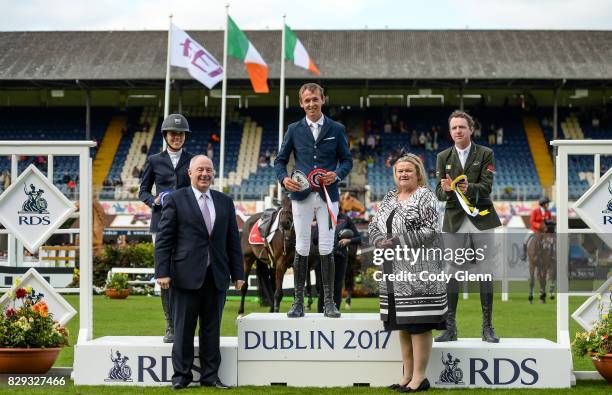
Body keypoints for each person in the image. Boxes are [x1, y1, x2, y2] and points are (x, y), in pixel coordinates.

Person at [155, 155, 244, 390]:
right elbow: (164, 240)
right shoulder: (175, 199)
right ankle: (181, 377)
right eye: (200, 170)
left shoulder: (225, 201)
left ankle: (210, 377)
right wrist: (162, 272)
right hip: (184, 277)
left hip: (217, 277)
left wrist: (239, 274)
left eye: (209, 170)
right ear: (190, 173)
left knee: (211, 330)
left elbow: (233, 241)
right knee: (183, 330)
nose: (205, 174)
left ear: (213, 174)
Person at [274, 82, 353, 318]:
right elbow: (280, 160)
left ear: (323, 100)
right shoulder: (293, 129)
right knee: (302, 246)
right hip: (301, 195)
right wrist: (284, 179)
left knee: (327, 247)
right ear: (301, 103)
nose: (311, 104)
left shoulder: (336, 128)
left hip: (329, 197)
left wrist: (337, 174)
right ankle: (297, 302)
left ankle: (328, 302)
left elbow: (347, 161)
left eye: (315, 99)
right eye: (306, 101)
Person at [369, 154, 446, 393]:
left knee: (418, 324)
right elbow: (373, 225)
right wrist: (380, 239)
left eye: (408, 171)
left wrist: (398, 241)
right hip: (393, 271)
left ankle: (420, 378)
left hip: (420, 270)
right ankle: (407, 375)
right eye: (399, 171)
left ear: (418, 173)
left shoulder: (426, 196)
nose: (403, 174)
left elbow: (431, 230)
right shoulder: (390, 197)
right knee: (401, 325)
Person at [434, 110, 502, 343]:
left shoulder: (485, 153)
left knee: (486, 271)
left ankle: (487, 328)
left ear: (471, 129)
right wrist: (445, 189)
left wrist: (466, 188)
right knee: (451, 272)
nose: (458, 131)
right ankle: (450, 327)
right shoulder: (443, 156)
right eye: (454, 128)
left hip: (481, 218)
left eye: (462, 127)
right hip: (454, 220)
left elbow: (486, 187)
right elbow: (439, 194)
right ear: (450, 131)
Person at [139, 113, 195, 343]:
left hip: (187, 223)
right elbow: (142, 191)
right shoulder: (154, 160)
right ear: (165, 136)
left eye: (180, 134)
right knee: (165, 273)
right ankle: (170, 325)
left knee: (185, 271)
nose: (177, 137)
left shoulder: (193, 160)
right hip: (161, 222)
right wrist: (155, 201)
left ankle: (185, 322)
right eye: (173, 134)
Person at [521, 197, 553, 261]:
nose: (548, 204)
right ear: (543, 204)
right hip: (535, 230)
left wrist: (550, 224)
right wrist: (539, 226)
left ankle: (551, 255)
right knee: (525, 240)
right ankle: (524, 254)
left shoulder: (548, 212)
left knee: (551, 241)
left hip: (544, 231)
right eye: (547, 203)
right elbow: (532, 221)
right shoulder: (535, 211)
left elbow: (549, 220)